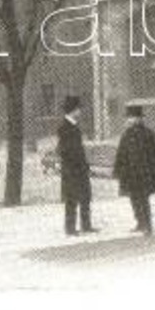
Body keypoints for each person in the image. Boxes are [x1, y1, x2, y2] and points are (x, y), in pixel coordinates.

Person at [112, 104, 155, 235]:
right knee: (134, 199)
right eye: (129, 118)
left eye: (133, 118)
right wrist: (118, 170)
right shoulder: (126, 135)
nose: (130, 120)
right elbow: (121, 154)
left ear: (139, 119)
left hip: (144, 173)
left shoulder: (148, 134)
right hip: (130, 174)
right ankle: (140, 222)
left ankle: (147, 225)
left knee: (143, 199)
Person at [55, 95, 96, 236]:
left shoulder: (73, 126)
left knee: (85, 196)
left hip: (79, 168)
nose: (80, 111)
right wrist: (77, 164)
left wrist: (84, 166)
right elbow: (66, 150)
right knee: (71, 199)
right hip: (72, 169)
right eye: (79, 109)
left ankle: (86, 225)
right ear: (73, 110)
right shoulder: (64, 128)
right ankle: (70, 228)